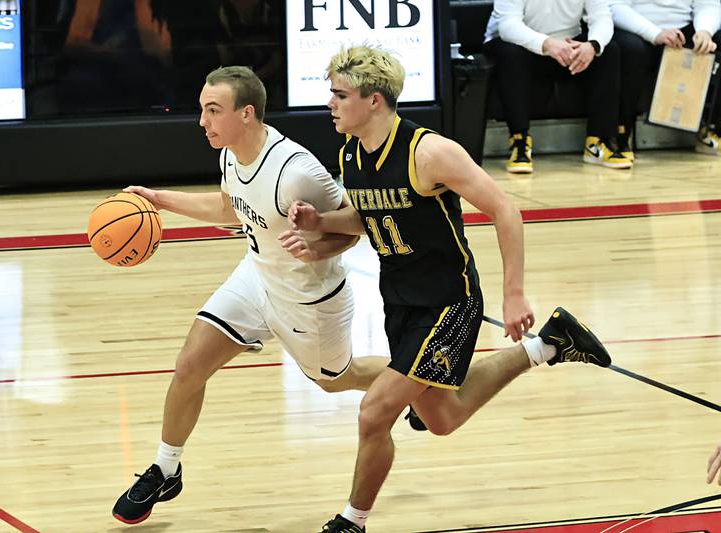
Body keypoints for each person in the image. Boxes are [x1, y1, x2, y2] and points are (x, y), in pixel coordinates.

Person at [283, 45, 612, 533]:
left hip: (449, 301)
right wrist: (321, 222)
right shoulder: (351, 152)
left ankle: (352, 521)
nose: (330, 104)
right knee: (442, 418)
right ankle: (549, 344)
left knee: (375, 411)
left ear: (374, 100)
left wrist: (514, 293)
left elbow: (505, 209)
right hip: (399, 300)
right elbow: (370, 214)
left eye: (340, 95)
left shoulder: (429, 151)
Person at [111, 65, 392, 525]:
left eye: (213, 111)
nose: (203, 121)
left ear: (247, 114)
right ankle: (166, 467)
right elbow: (229, 209)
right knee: (189, 366)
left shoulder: (295, 171)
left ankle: (418, 380)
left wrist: (315, 245)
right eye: (202, 109)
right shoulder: (229, 152)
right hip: (257, 276)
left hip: (310, 297)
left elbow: (355, 224)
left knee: (336, 380)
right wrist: (160, 200)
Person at [483, 0, 632, 173]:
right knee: (510, 53)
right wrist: (546, 43)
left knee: (608, 51)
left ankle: (598, 142)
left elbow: (602, 17)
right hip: (517, 42)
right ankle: (519, 142)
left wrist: (592, 45)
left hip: (567, 43)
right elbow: (508, 26)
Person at [609, 0, 721, 158]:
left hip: (685, 29)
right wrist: (655, 33)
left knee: (714, 40)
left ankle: (711, 129)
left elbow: (708, 4)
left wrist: (705, 31)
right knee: (630, 49)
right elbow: (614, 7)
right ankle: (620, 135)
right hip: (637, 28)